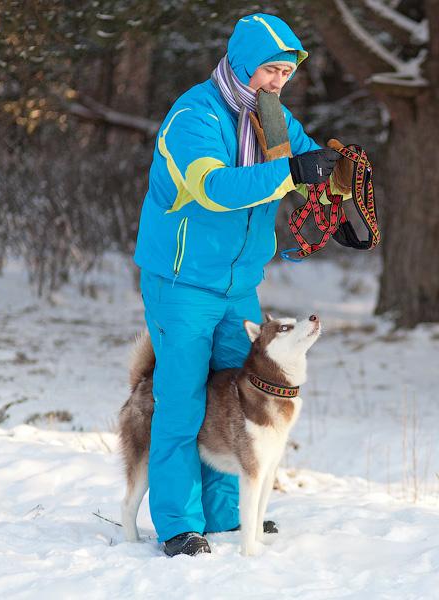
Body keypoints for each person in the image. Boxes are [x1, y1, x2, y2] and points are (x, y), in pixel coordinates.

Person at [133, 13, 350, 557]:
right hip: (182, 281)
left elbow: (305, 169)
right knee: (181, 401)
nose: (278, 81)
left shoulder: (272, 119)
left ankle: (229, 515)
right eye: (270, 70)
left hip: (238, 285)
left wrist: (335, 205)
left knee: (240, 395)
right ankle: (179, 524)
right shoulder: (194, 115)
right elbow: (212, 188)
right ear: (243, 64)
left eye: (285, 72)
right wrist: (294, 174)